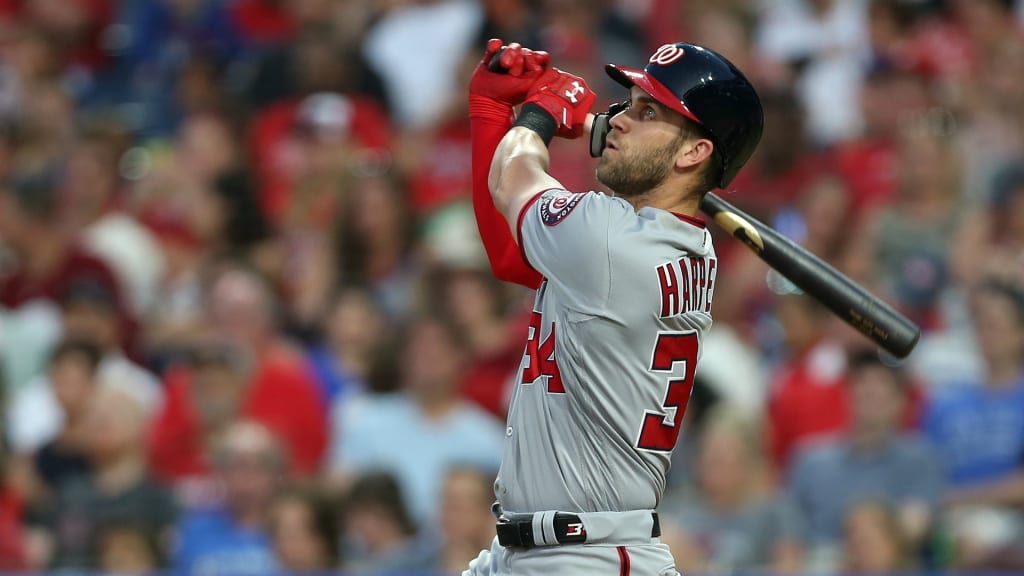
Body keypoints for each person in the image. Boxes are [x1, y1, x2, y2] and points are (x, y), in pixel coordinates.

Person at [464, 37, 763, 575]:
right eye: (627, 104)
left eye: (648, 112)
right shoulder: (670, 243)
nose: (621, 118)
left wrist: (540, 114)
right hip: (542, 550)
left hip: (587, 556)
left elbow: (513, 178)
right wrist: (492, 113)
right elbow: (514, 256)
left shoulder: (611, 242)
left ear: (695, 152)